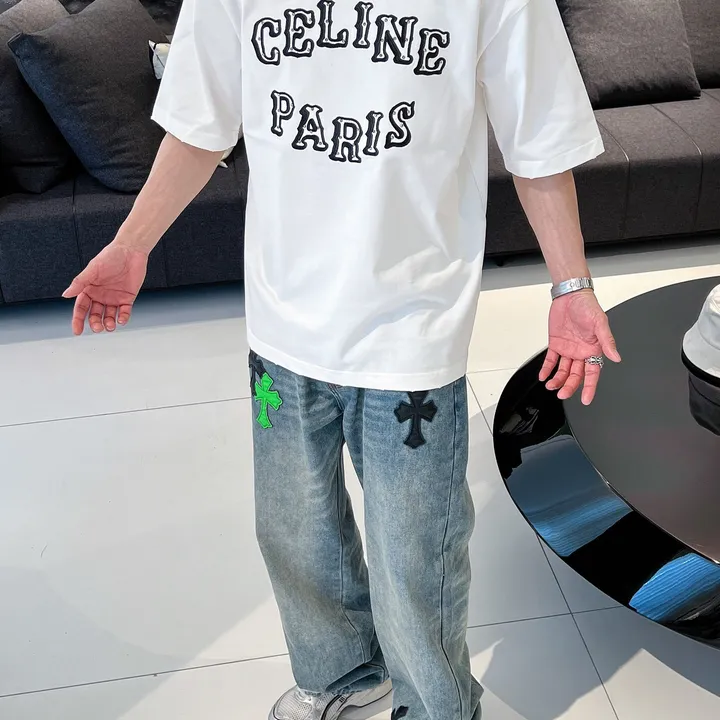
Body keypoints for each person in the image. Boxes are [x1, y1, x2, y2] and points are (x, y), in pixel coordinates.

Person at [63, 0, 621, 718]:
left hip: (412, 328)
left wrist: (571, 286)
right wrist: (132, 244)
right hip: (283, 322)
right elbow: (201, 123)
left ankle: (438, 709)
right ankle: (343, 674)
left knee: (415, 555)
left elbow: (539, 135)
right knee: (294, 530)